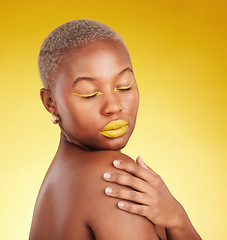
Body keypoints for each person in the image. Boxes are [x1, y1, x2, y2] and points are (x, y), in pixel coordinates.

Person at [29, 19, 201, 240]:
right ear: (50, 102)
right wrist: (178, 220)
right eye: (89, 93)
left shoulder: (59, 177)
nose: (114, 106)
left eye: (124, 86)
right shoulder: (112, 180)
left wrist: (177, 218)